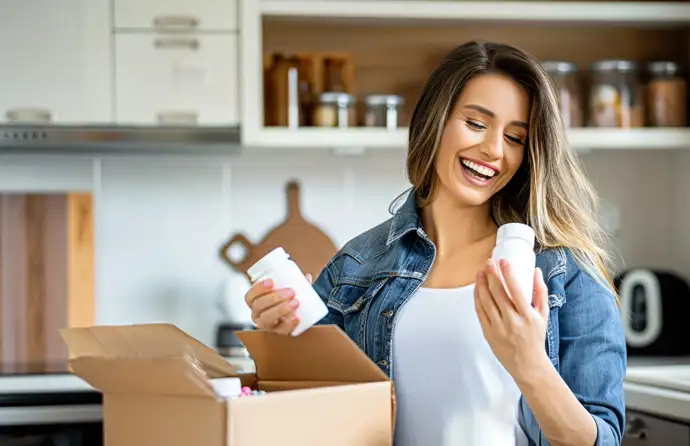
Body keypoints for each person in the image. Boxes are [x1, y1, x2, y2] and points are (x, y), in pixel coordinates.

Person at [245, 40, 626, 446]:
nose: (494, 150)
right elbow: (307, 413)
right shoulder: (358, 266)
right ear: (435, 119)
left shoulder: (564, 273)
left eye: (515, 138)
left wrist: (529, 364)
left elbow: (600, 440)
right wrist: (278, 335)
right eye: (476, 124)